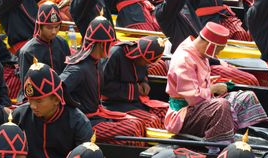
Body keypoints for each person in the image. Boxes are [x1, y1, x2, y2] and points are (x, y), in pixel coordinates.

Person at [165, 22, 268, 148]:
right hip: (184, 114)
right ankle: (219, 146)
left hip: (203, 105)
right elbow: (193, 98)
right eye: (218, 49)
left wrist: (213, 83)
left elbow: (199, 84)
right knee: (221, 105)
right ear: (209, 44)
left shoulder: (199, 53)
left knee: (246, 97)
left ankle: (230, 133)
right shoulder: (184, 58)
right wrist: (214, 88)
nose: (217, 54)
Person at [60, 16, 145, 145]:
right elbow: (56, 89)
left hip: (97, 116)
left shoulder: (97, 63)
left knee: (138, 123)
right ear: (100, 44)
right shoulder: (77, 69)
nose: (112, 46)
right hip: (85, 122)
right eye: (109, 43)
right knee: (132, 130)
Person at [13, 61, 93, 157]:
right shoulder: (19, 115)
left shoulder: (78, 123)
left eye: (39, 101)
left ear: (56, 99)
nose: (32, 106)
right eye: (30, 100)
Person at [102, 36, 167, 129]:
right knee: (152, 122)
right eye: (145, 62)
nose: (146, 65)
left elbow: (143, 74)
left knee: (166, 114)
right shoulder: (115, 54)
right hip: (114, 104)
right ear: (139, 55)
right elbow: (103, 86)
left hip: (136, 101)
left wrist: (145, 82)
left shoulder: (141, 57)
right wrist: (135, 89)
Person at [17, 2, 70, 102]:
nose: (54, 31)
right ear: (39, 26)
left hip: (61, 93)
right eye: (49, 27)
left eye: (57, 26)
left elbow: (67, 72)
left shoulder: (62, 43)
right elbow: (26, 85)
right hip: (37, 98)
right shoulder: (27, 51)